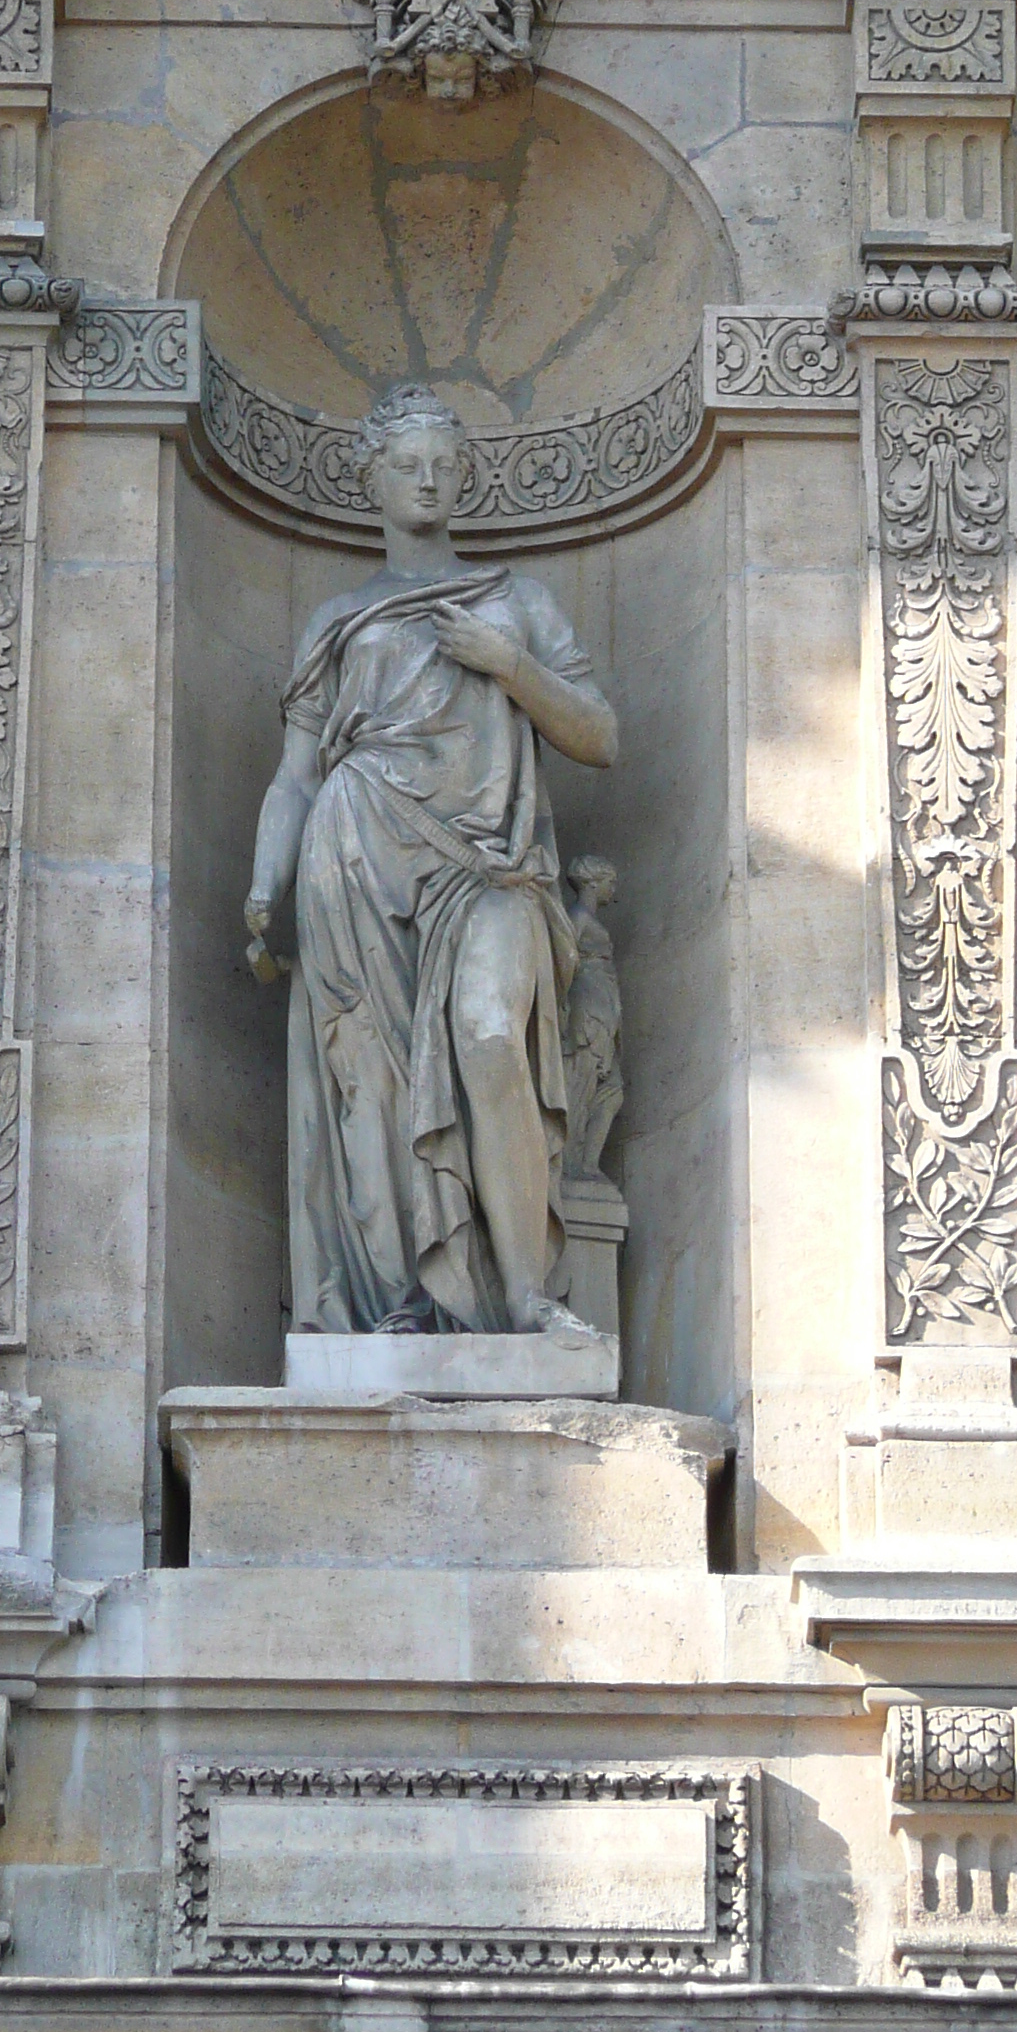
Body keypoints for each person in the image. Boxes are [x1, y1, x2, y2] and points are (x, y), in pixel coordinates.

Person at [245, 381, 618, 1338]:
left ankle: (529, 1295)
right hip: (355, 850)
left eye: (446, 465)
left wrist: (509, 666)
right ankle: (397, 1301)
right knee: (368, 1077)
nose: (428, 480)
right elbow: (294, 775)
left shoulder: (517, 604)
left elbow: (599, 737)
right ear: (371, 478)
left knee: (490, 1035)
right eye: (408, 464)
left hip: (488, 868)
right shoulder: (338, 619)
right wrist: (264, 880)